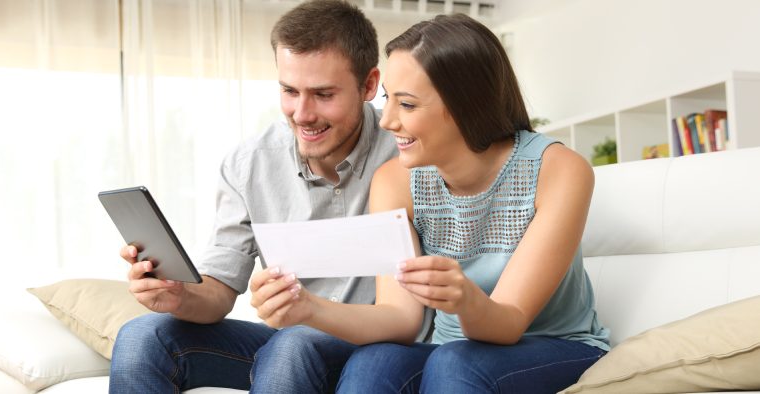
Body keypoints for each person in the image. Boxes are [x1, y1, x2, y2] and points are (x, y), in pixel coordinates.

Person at [254, 13, 611, 394]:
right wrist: (308, 308)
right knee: (376, 361)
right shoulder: (395, 181)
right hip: (449, 351)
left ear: (465, 105)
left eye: (406, 105)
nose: (387, 120)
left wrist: (465, 300)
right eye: (389, 99)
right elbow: (401, 318)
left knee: (454, 361)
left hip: (555, 347)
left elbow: (509, 323)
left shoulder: (558, 170)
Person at [109, 1, 402, 393]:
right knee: (142, 337)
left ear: (368, 85)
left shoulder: (406, 151)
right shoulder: (249, 165)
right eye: (289, 91)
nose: (302, 113)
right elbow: (217, 293)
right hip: (289, 345)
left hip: (378, 347)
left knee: (292, 343)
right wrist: (177, 296)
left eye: (323, 94)